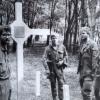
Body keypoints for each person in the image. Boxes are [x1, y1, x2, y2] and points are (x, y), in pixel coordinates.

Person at [42, 35, 68, 100]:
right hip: (52, 70)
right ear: (51, 40)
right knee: (53, 85)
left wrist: (62, 62)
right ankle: (54, 98)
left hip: (59, 70)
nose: (54, 39)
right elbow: (43, 59)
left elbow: (66, 56)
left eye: (56, 38)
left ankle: (61, 98)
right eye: (53, 38)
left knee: (61, 85)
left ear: (58, 39)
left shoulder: (62, 47)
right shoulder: (47, 48)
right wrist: (47, 69)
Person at [77, 26, 99, 100]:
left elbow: (95, 60)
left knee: (87, 92)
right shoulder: (82, 44)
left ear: (88, 34)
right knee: (83, 92)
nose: (81, 35)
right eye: (80, 34)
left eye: (83, 33)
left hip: (89, 73)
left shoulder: (93, 44)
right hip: (82, 72)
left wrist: (93, 73)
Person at [0, 26, 12, 100]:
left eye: (9, 34)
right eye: (4, 35)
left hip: (7, 82)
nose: (7, 37)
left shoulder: (5, 48)